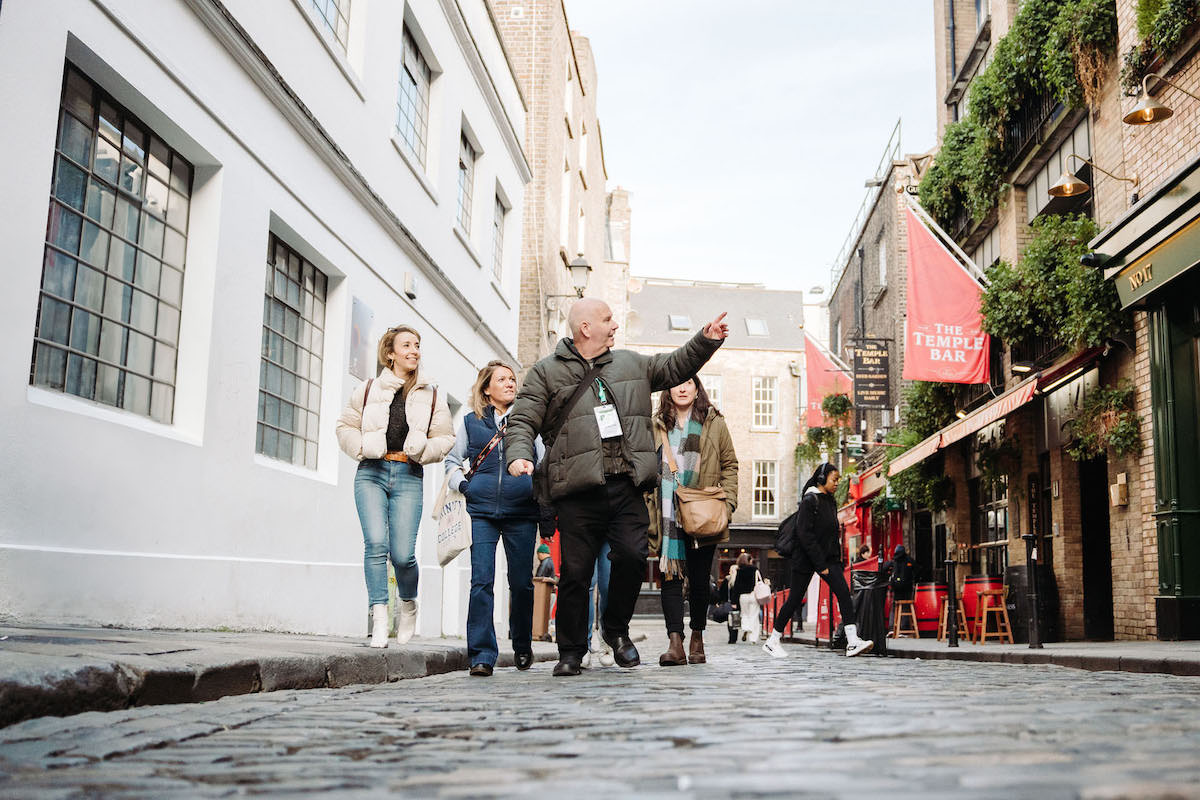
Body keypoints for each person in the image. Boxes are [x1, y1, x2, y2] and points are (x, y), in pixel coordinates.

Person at [505, 298, 729, 676]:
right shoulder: (546, 372)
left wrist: (704, 340)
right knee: (575, 573)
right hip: (577, 489)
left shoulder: (630, 363)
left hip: (626, 484)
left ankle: (616, 630)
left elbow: (675, 365)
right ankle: (571, 651)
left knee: (631, 556)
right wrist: (518, 454)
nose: (615, 326)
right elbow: (524, 418)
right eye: (607, 319)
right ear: (585, 328)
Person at [336, 325, 454, 648]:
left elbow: (446, 437)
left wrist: (423, 452)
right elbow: (344, 425)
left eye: (417, 345)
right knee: (375, 544)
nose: (414, 350)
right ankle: (378, 617)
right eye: (406, 345)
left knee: (403, 555)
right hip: (371, 472)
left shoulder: (431, 394)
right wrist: (361, 446)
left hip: (407, 475)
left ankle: (408, 602)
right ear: (390, 353)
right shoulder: (369, 388)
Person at [444, 361, 542, 677]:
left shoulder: (527, 423)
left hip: (522, 512)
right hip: (481, 512)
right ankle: (482, 655)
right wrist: (464, 486)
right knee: (481, 582)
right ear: (487, 388)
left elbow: (543, 462)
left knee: (522, 584)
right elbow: (451, 460)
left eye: (512, 379)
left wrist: (534, 484)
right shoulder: (472, 422)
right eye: (502, 379)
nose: (510, 383)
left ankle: (523, 644)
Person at [651, 375, 739, 666]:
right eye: (677, 383)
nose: (683, 387)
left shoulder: (714, 422)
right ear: (668, 390)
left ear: (697, 387)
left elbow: (730, 465)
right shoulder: (657, 424)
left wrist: (727, 505)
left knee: (700, 580)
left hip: (704, 510)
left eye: (689, 382)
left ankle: (697, 636)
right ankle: (674, 642)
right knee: (670, 576)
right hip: (667, 511)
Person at [763, 463, 874, 659]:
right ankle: (773, 640)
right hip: (806, 559)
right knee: (794, 599)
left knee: (844, 593)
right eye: (834, 479)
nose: (837, 483)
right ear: (822, 479)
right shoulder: (810, 499)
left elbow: (830, 534)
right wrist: (820, 564)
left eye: (838, 479)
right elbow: (805, 535)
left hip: (828, 559)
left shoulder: (829, 501)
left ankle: (852, 641)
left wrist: (834, 560)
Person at [728, 553, 763, 644]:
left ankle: (746, 627)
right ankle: (753, 639)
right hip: (753, 595)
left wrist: (734, 601)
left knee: (745, 614)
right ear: (749, 560)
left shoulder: (739, 571)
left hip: (743, 597)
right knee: (754, 616)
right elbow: (760, 581)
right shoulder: (755, 570)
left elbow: (736, 587)